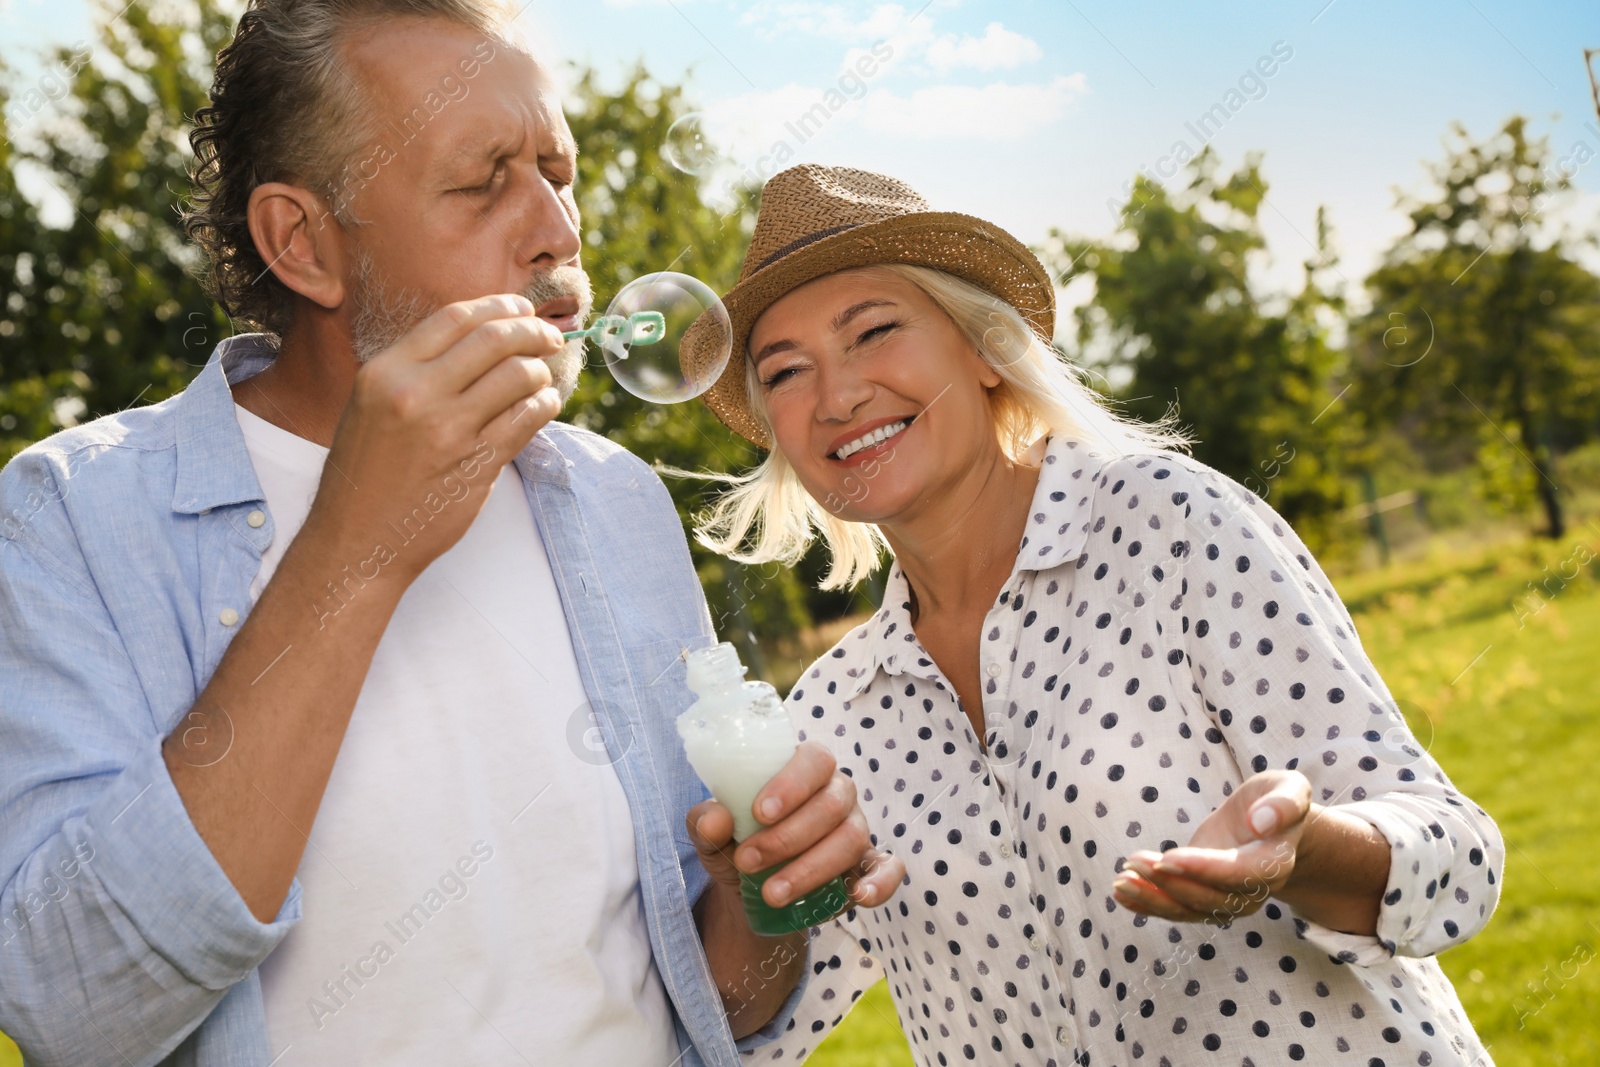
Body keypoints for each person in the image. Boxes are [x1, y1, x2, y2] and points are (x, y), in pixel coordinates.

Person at [0, 8, 905, 1065]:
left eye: (557, 173)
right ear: (304, 241)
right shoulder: (71, 515)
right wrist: (357, 547)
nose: (557, 229)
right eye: (484, 181)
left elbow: (716, 1001)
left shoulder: (614, 498)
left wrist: (770, 889)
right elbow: (69, 1007)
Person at [682, 164, 1502, 1066]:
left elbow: (1456, 855)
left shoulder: (1172, 526)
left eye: (874, 331)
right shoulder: (831, 714)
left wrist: (1303, 851)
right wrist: (752, 896)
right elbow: (748, 1026)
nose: (836, 397)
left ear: (986, 349)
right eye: (787, 372)